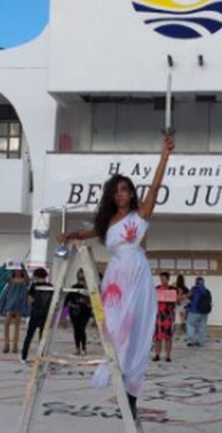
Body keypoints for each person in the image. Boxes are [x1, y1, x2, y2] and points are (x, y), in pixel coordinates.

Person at [58, 132, 174, 424]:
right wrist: (70, 234)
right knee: (113, 328)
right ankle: (118, 370)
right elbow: (88, 233)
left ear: (132, 193)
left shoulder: (142, 214)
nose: (121, 194)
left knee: (134, 331)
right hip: (114, 279)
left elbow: (157, 186)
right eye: (116, 191)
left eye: (125, 190)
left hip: (136, 275)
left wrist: (164, 155)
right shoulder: (106, 221)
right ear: (112, 195)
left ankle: (132, 391)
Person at [20, 268, 54, 363]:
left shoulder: (34, 286)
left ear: (36, 276)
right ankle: (41, 357)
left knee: (29, 336)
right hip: (46, 314)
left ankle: (24, 356)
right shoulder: (50, 286)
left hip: (35, 313)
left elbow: (30, 300)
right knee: (42, 338)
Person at [0, 266, 30, 354]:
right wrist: (5, 268)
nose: (17, 272)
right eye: (16, 270)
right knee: (6, 324)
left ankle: (15, 346)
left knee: (17, 325)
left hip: (19, 304)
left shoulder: (24, 281)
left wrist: (24, 269)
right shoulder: (10, 279)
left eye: (19, 270)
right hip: (10, 302)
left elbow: (27, 281)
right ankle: (6, 345)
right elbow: (4, 277)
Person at [66, 269, 92, 356]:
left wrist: (90, 304)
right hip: (74, 312)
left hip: (85, 312)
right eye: (80, 275)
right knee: (76, 329)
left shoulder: (89, 287)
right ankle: (77, 348)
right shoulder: (74, 287)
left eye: (83, 275)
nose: (81, 277)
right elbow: (68, 299)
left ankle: (84, 348)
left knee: (81, 329)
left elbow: (93, 300)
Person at [154, 272, 176, 362]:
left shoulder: (172, 289)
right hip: (158, 315)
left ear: (168, 279)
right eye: (161, 279)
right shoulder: (157, 288)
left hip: (167, 315)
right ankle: (157, 354)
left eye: (164, 279)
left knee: (168, 337)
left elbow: (176, 301)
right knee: (157, 337)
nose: (162, 281)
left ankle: (168, 355)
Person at [186, 277, 212, 347]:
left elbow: (188, 296)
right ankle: (201, 342)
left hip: (194, 311)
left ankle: (192, 341)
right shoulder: (206, 290)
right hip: (204, 312)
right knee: (202, 327)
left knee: (190, 325)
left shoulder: (194, 289)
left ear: (196, 282)